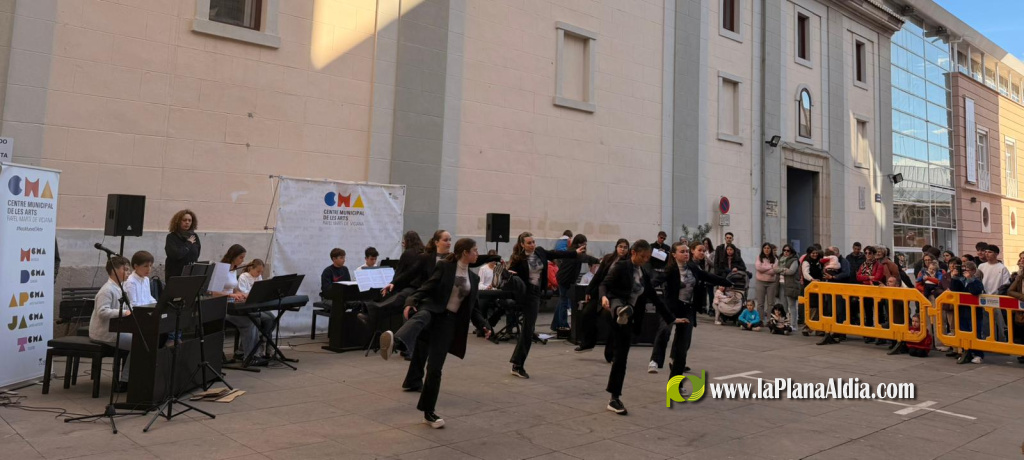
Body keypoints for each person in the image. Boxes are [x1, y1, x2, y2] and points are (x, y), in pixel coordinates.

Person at [377, 238, 492, 429]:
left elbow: (474, 308)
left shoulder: (474, 278)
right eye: (475, 250)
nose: (477, 253)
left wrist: (484, 325)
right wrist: (411, 301)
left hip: (448, 322)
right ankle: (394, 343)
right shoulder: (445, 267)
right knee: (421, 316)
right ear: (465, 252)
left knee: (435, 369)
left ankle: (428, 412)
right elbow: (427, 287)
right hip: (433, 310)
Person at [599, 240, 677, 415]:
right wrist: (603, 297)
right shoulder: (621, 266)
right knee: (618, 305)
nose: (645, 260)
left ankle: (614, 397)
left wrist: (672, 319)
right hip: (613, 305)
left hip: (631, 317)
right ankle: (614, 398)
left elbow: (655, 299)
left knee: (622, 357)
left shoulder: (643, 273)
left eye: (648, 257)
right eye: (643, 256)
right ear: (633, 253)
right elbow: (604, 283)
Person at [507, 231, 582, 378]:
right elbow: (512, 276)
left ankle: (517, 363)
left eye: (533, 241)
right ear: (522, 245)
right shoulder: (518, 259)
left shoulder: (540, 252)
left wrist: (574, 253)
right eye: (529, 243)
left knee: (528, 329)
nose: (532, 245)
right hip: (525, 294)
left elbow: (555, 253)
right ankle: (517, 365)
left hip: (536, 293)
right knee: (528, 330)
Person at [648, 242, 730, 374]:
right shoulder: (670, 269)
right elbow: (654, 282)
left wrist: (727, 282)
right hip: (671, 307)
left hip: (687, 309)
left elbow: (708, 276)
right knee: (665, 330)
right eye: (682, 252)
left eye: (687, 251)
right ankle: (655, 360)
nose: (686, 254)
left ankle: (675, 385)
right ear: (674, 254)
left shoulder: (693, 267)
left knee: (683, 346)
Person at [217, 245, 272, 366]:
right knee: (249, 322)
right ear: (233, 256)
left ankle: (251, 354)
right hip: (221, 307)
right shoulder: (221, 269)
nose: (243, 260)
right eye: (241, 257)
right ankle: (249, 356)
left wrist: (239, 294)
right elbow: (213, 292)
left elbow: (232, 289)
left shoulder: (233, 269)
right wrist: (231, 296)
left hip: (231, 305)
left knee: (255, 317)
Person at [574, 239, 629, 356]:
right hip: (600, 293)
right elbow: (598, 276)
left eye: (625, 247)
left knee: (610, 319)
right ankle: (588, 343)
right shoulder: (609, 258)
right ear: (616, 247)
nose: (622, 249)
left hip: (615, 296)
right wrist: (588, 290)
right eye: (620, 246)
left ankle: (611, 351)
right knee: (586, 314)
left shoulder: (628, 263)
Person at [89, 256, 133, 392]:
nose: (128, 273)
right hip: (104, 332)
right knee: (139, 343)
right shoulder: (107, 290)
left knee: (145, 339)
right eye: (125, 270)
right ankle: (125, 381)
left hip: (117, 329)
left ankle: (132, 378)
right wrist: (124, 312)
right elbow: (102, 312)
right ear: (114, 271)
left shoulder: (122, 287)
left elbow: (128, 306)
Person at [124, 250, 179, 348]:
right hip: (137, 316)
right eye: (145, 266)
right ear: (136, 266)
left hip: (146, 313)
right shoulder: (130, 282)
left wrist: (159, 305)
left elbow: (149, 298)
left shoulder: (145, 279)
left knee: (168, 322)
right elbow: (133, 304)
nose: (149, 269)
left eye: (150, 266)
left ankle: (167, 346)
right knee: (158, 333)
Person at [553, 235, 600, 331]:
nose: (585, 246)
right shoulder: (574, 252)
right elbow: (585, 258)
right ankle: (563, 325)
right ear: (579, 244)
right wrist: (598, 261)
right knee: (564, 302)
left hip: (564, 278)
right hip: (565, 279)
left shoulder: (572, 250)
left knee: (562, 301)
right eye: (584, 244)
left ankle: (556, 324)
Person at [977, 244, 1010, 344]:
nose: (987, 254)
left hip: (997, 298)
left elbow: (1006, 284)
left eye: (990, 252)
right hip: (984, 296)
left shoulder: (1002, 268)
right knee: (986, 321)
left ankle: (1001, 341)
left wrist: (999, 293)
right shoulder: (981, 266)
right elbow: (978, 280)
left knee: (999, 322)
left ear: (996, 254)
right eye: (986, 252)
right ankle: (987, 341)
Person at [164, 209, 200, 279]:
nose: (187, 222)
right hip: (175, 275)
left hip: (191, 274)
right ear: (178, 222)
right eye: (184, 220)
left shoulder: (194, 236)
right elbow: (177, 255)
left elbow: (197, 254)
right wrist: (188, 243)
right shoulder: (171, 237)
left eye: (189, 220)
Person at [776, 245, 801, 324]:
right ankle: (784, 322)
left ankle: (793, 324)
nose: (786, 252)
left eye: (788, 251)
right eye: (784, 250)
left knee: (792, 305)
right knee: (783, 305)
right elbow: (775, 269)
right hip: (781, 283)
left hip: (791, 284)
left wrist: (780, 270)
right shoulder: (780, 259)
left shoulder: (794, 260)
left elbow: (791, 271)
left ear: (791, 252)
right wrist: (783, 269)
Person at [754, 243, 779, 320]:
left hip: (771, 283)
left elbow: (774, 271)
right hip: (760, 282)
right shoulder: (759, 257)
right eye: (765, 248)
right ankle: (760, 320)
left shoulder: (775, 259)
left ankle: (769, 320)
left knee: (771, 303)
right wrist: (770, 267)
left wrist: (764, 269)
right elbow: (759, 268)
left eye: (768, 248)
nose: (766, 250)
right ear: (762, 249)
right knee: (760, 303)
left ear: (771, 250)